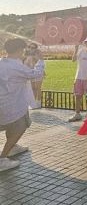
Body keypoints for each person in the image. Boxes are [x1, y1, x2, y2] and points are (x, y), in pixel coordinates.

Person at [0, 38, 45, 171]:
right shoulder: (15, 66)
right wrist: (41, 61)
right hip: (11, 103)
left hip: (6, 102)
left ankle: (12, 147)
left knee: (15, 124)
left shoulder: (3, 62)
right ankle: (2, 158)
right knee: (21, 125)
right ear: (20, 50)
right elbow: (36, 74)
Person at [69, 36, 87, 122]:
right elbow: (73, 60)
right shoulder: (81, 51)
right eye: (86, 42)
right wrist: (76, 49)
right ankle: (77, 114)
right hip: (79, 76)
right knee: (78, 96)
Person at [23, 43, 45, 109]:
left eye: (33, 47)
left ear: (36, 48)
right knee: (33, 88)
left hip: (37, 73)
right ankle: (33, 103)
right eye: (30, 47)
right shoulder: (25, 55)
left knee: (38, 88)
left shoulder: (38, 54)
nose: (31, 49)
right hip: (30, 74)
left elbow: (41, 63)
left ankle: (38, 103)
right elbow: (25, 64)